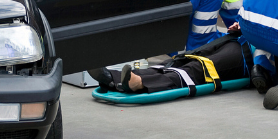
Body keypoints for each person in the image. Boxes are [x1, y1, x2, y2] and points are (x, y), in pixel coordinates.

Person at [88, 33, 252, 94]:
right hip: (240, 38)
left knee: (198, 68)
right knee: (180, 60)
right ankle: (112, 78)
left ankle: (140, 84)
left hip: (250, 57)